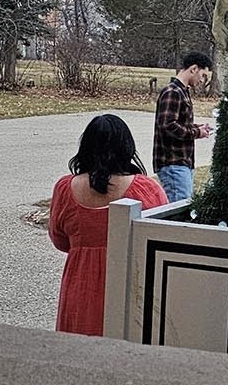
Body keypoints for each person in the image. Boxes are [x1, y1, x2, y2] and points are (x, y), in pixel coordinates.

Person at [50, 114, 168, 336]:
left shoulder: (65, 189)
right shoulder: (145, 190)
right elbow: (162, 239)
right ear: (126, 147)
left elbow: (59, 239)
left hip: (80, 284)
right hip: (130, 284)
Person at [153, 52, 214, 201]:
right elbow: (167, 126)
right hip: (173, 163)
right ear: (193, 69)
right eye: (203, 75)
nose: (202, 80)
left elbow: (177, 123)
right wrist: (196, 132)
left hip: (182, 163)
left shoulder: (182, 92)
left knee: (183, 206)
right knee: (178, 212)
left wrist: (197, 127)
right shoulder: (173, 92)